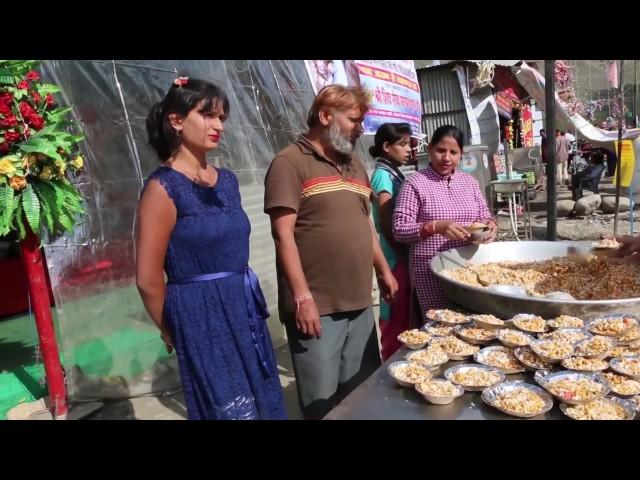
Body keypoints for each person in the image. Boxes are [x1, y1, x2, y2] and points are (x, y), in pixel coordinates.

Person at [136, 76, 287, 420]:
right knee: (229, 408)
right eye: (207, 115)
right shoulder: (162, 188)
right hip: (200, 318)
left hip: (243, 308)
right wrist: (175, 328)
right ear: (176, 120)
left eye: (222, 117)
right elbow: (147, 279)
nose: (218, 125)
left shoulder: (229, 181)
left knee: (263, 398)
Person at [264, 85, 398, 419]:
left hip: (359, 302)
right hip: (318, 309)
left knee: (362, 395)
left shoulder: (354, 165)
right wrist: (302, 298)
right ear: (325, 116)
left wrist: (383, 270)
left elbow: (365, 224)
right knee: (322, 404)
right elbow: (283, 236)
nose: (360, 128)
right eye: (353, 119)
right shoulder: (289, 163)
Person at [392, 125, 498, 317]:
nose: (446, 158)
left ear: (461, 154)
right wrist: (435, 227)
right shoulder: (415, 183)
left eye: (453, 152)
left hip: (469, 271)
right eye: (441, 150)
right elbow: (399, 229)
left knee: (473, 326)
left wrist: (490, 226)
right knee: (441, 330)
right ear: (430, 148)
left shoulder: (469, 183)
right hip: (431, 273)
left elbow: (484, 215)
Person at [369, 122, 415, 360]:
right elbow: (388, 224)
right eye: (403, 144)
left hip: (400, 252)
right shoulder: (382, 176)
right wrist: (403, 253)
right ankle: (390, 360)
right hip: (393, 254)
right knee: (394, 311)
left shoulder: (394, 173)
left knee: (404, 311)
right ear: (386, 147)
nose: (409, 149)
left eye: (409, 144)